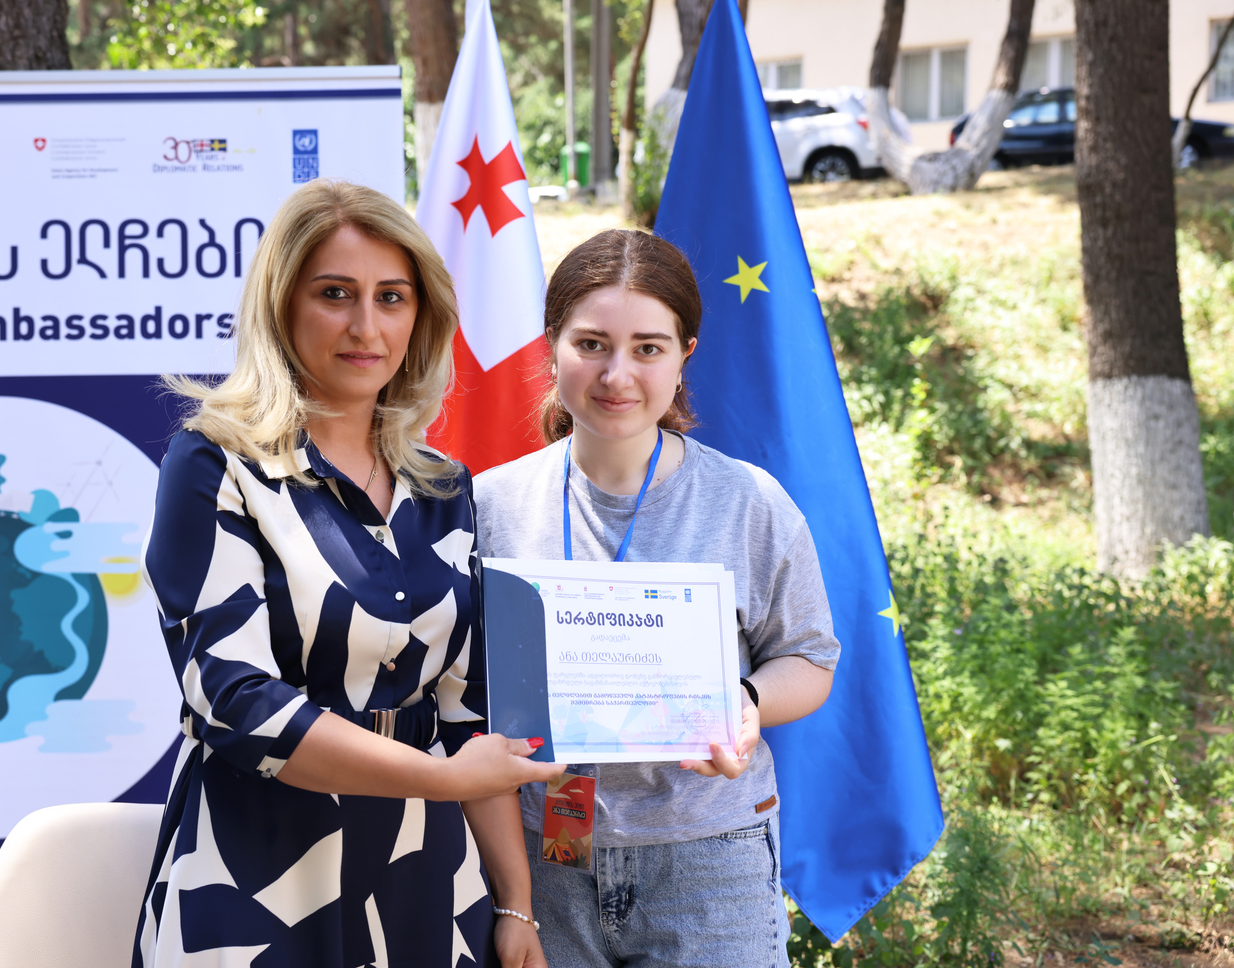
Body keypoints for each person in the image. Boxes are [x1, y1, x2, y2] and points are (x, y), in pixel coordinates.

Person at [133, 179, 563, 968]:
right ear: (281, 305)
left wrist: (515, 905)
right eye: (335, 294)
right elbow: (236, 699)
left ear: (420, 316)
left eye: (392, 298)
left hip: (427, 879)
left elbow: (468, 714)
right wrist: (442, 779)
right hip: (259, 873)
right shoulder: (213, 463)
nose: (367, 326)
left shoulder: (443, 487)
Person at [474, 229, 840, 968]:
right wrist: (514, 900)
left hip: (710, 860)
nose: (617, 374)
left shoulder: (748, 502)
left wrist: (746, 703)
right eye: (592, 344)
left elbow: (810, 658)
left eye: (648, 348)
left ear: (684, 356)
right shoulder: (489, 506)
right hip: (544, 856)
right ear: (552, 346)